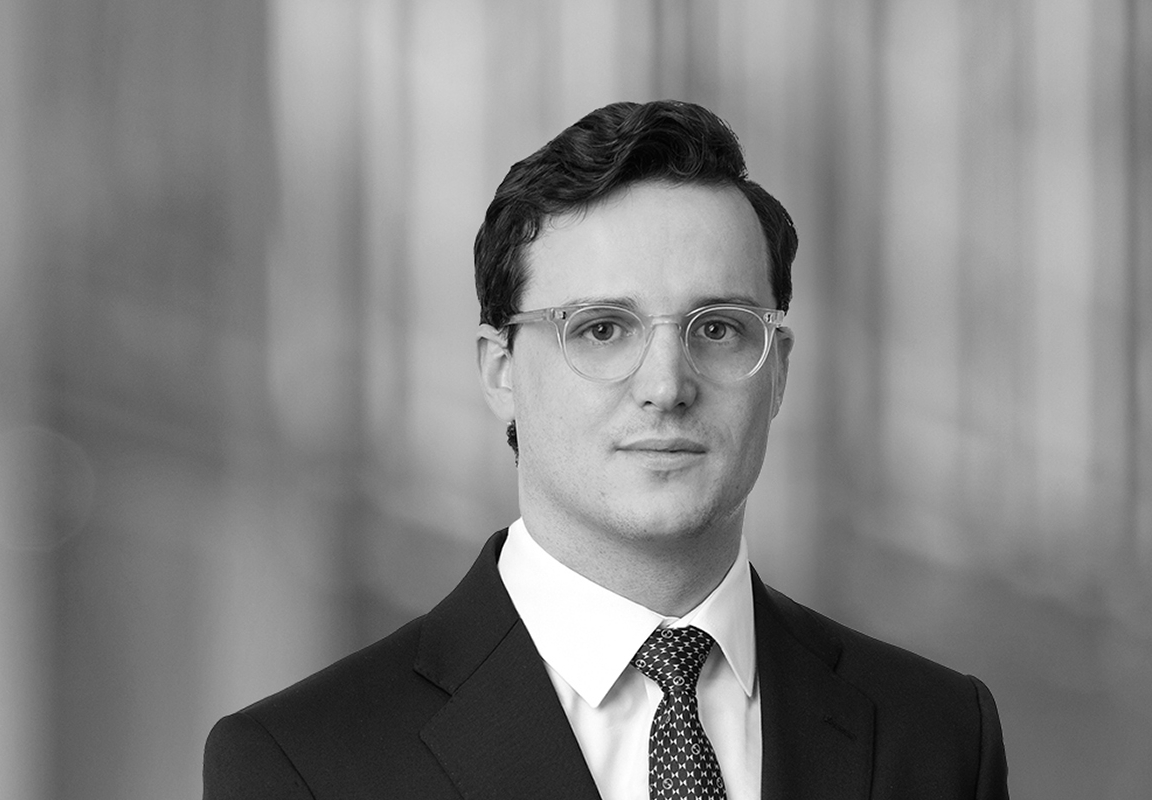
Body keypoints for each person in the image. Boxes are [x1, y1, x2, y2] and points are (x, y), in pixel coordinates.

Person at [203, 100, 1009, 799]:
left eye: (718, 328)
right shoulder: (306, 763)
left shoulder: (939, 735)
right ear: (499, 371)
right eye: (600, 329)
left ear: (778, 371)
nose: (666, 385)